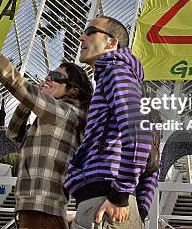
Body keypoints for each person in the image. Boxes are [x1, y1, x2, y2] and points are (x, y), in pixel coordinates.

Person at [0, 15, 93, 229]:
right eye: (48, 74)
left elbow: (14, 81)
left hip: (42, 207)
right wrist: (30, 100)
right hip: (34, 207)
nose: (48, 78)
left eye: (56, 76)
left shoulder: (62, 112)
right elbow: (14, 133)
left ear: (72, 89)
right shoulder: (54, 118)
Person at [65, 16, 158, 229]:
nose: (82, 37)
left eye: (90, 31)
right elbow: (152, 160)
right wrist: (138, 209)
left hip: (104, 201)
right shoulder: (123, 79)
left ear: (112, 43)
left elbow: (139, 137)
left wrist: (119, 196)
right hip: (106, 202)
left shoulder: (115, 71)